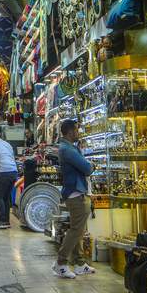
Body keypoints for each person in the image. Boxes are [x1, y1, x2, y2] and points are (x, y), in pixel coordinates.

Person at [54, 119, 95, 279]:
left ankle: (79, 263)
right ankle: (60, 263)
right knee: (75, 230)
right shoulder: (68, 149)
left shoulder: (68, 147)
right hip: (76, 194)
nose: (79, 133)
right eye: (77, 130)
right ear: (71, 132)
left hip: (75, 192)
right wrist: (91, 165)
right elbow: (87, 168)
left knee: (78, 230)